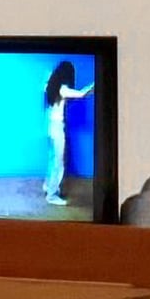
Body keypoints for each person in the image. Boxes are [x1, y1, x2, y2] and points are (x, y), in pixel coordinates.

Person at [43, 61, 94, 206]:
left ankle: (48, 186)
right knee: (58, 163)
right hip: (57, 128)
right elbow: (81, 94)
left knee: (52, 159)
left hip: (49, 128)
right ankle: (52, 195)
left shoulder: (49, 86)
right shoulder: (62, 89)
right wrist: (94, 85)